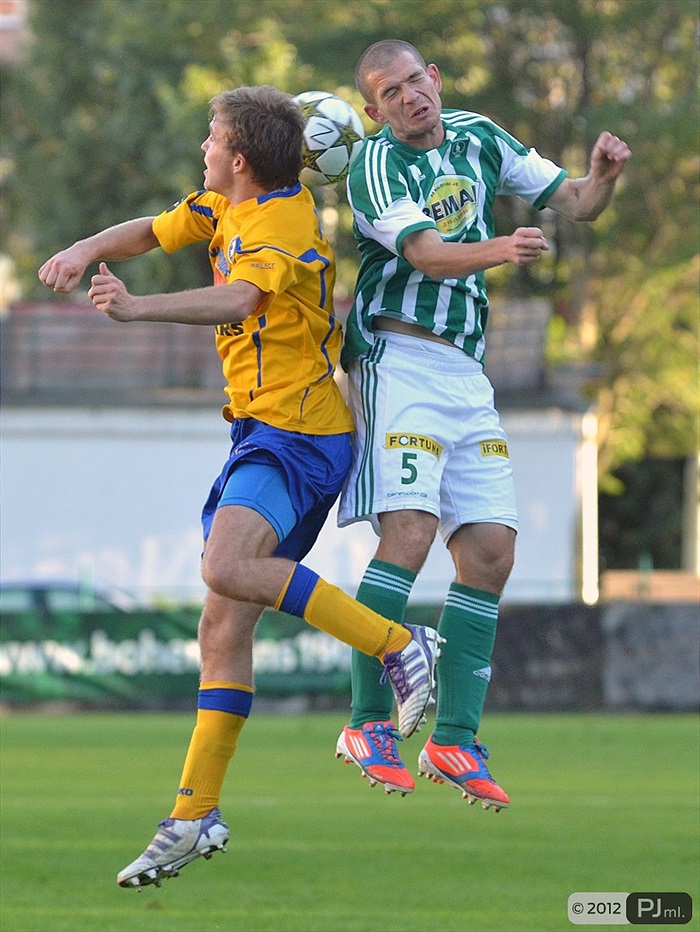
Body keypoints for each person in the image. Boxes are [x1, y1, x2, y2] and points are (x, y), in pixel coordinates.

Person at [38, 84, 443, 889]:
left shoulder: (280, 220)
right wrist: (88, 248)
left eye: (210, 139)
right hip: (261, 430)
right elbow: (153, 230)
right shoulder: (223, 205)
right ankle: (193, 815)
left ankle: (399, 644)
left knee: (225, 567)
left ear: (242, 160)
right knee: (222, 630)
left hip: (301, 433)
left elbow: (241, 297)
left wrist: (137, 309)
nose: (202, 150)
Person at [334, 40, 631, 807]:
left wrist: (602, 178)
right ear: (374, 110)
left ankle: (455, 740)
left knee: (492, 552)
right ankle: (367, 721)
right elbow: (429, 255)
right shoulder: (375, 164)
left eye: (414, 82)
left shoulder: (479, 135)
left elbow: (576, 204)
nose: (408, 98)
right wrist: (500, 248)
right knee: (409, 533)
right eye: (389, 92)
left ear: (435, 78)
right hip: (397, 355)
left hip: (466, 373)